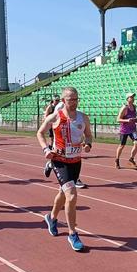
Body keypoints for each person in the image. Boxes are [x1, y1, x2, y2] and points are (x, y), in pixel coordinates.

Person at [37, 87, 93, 252]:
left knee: (63, 194)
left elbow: (89, 135)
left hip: (76, 161)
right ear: (63, 101)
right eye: (70, 99)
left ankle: (51, 217)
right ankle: (72, 233)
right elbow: (40, 133)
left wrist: (88, 144)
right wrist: (46, 149)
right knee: (72, 194)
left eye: (76, 99)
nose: (74, 102)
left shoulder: (83, 117)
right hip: (59, 161)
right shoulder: (56, 116)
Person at [115, 92, 137, 169]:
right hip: (125, 130)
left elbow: (135, 117)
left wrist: (136, 120)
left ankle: (131, 159)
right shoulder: (124, 108)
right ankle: (117, 160)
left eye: (133, 97)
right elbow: (118, 119)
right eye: (131, 97)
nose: (132, 98)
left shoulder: (134, 107)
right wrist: (127, 120)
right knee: (122, 146)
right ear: (127, 98)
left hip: (132, 129)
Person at [42, 95, 62, 178]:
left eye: (58, 100)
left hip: (61, 125)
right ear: (53, 100)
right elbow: (46, 116)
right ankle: (51, 151)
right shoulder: (51, 107)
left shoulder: (62, 105)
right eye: (56, 100)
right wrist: (48, 123)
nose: (57, 101)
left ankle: (50, 164)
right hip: (52, 125)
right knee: (53, 139)